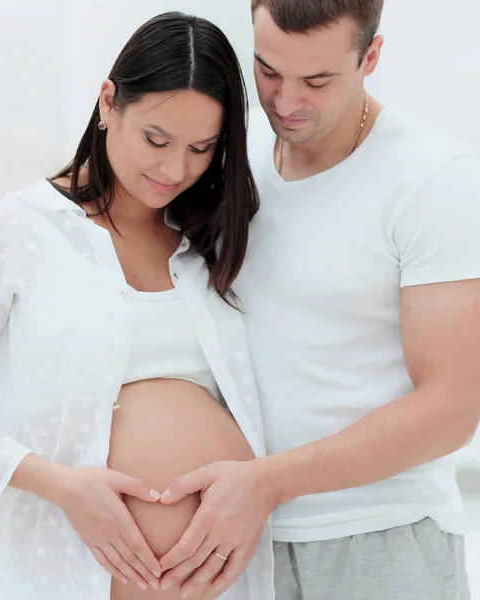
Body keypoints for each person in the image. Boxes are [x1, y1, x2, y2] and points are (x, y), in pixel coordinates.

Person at [155, 2, 480, 599]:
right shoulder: (226, 153)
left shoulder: (434, 181)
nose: (284, 101)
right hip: (234, 538)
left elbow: (453, 409)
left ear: (371, 57)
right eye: (268, 71)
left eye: (317, 81)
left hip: (379, 540)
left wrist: (266, 484)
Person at [0, 12, 275, 600]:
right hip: (67, 568)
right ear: (108, 103)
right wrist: (62, 486)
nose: (175, 169)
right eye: (156, 140)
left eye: (201, 148)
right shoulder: (11, 231)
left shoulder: (214, 241)